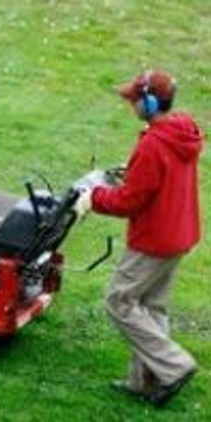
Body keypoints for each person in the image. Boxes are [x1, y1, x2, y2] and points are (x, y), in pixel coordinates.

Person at [74, 69, 204, 407]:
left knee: (119, 301)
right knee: (151, 305)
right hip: (180, 234)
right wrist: (131, 173)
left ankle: (174, 366)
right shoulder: (180, 132)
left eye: (135, 100)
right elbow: (153, 181)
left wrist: (94, 198)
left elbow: (130, 201)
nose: (132, 106)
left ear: (149, 102)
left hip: (153, 240)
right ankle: (145, 381)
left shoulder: (153, 144)